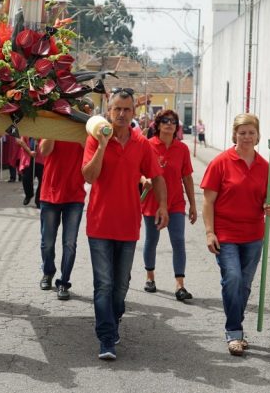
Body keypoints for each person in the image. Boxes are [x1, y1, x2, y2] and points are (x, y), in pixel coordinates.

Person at [82, 88, 168, 360]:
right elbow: (89, 176)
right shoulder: (95, 139)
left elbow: (157, 177)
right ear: (108, 111)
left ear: (134, 112)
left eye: (126, 109)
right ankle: (106, 338)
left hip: (129, 225)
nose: (121, 114)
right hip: (99, 224)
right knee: (104, 284)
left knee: (120, 286)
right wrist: (103, 146)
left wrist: (163, 206)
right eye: (116, 109)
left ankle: (113, 318)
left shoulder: (142, 144)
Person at [201, 113, 270, 357]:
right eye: (242, 132)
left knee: (243, 286)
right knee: (232, 279)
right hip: (226, 233)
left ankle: (236, 323)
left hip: (254, 235)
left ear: (258, 136)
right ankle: (234, 332)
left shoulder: (266, 166)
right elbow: (207, 202)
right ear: (235, 134)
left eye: (251, 133)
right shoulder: (221, 162)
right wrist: (210, 232)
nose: (246, 137)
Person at [140, 110, 198, 300]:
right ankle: (150, 277)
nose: (169, 124)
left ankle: (180, 284)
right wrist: (144, 179)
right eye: (165, 121)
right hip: (152, 202)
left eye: (173, 121)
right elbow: (138, 171)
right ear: (158, 125)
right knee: (151, 240)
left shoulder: (182, 149)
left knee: (178, 241)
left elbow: (187, 177)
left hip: (176, 203)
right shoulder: (147, 146)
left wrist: (193, 205)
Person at [37, 138, 86, 300]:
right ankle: (48, 272)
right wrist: (54, 131)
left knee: (70, 243)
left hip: (74, 194)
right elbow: (44, 151)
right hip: (50, 193)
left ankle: (64, 281)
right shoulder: (54, 124)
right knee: (47, 242)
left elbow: (89, 151)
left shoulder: (83, 127)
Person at [18, 136, 44, 207]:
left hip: (41, 159)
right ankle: (29, 194)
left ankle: (39, 200)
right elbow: (21, 141)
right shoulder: (27, 129)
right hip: (28, 158)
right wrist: (29, 151)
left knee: (42, 180)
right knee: (26, 178)